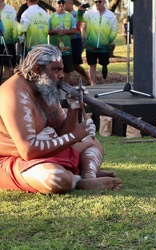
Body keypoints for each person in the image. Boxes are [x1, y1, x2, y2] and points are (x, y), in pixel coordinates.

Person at [0, 44, 122, 193]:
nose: (61, 75)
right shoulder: (14, 94)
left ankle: (88, 177)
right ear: (37, 69)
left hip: (43, 154)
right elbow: (28, 151)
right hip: (12, 160)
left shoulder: (44, 87)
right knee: (56, 177)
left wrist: (73, 108)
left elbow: (62, 133)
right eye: (56, 69)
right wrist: (74, 136)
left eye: (61, 69)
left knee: (92, 144)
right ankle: (75, 178)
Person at [77, 0, 118, 86]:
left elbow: (114, 30)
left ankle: (104, 66)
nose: (97, 3)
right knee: (92, 65)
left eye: (99, 1)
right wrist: (80, 12)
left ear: (104, 2)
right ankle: (93, 84)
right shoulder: (90, 13)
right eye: (96, 2)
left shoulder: (111, 15)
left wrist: (108, 40)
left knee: (104, 63)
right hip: (91, 46)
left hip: (104, 47)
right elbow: (80, 19)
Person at [49, 0, 77, 83]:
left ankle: (66, 86)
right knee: (54, 68)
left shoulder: (70, 16)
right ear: (55, 4)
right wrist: (55, 31)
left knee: (67, 69)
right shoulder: (51, 17)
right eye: (59, 3)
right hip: (54, 49)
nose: (61, 4)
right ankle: (55, 85)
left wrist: (66, 31)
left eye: (63, 3)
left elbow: (74, 30)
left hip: (66, 49)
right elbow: (47, 31)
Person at [64, 0, 91, 85]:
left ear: (70, 4)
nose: (63, 5)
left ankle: (88, 78)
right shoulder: (66, 15)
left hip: (75, 41)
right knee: (67, 62)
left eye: (65, 3)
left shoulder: (75, 14)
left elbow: (75, 28)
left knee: (74, 64)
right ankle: (65, 81)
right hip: (69, 41)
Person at [0, 0, 18, 79]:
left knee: (8, 66)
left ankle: (7, 86)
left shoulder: (11, 10)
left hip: (8, 42)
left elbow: (15, 25)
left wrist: (14, 39)